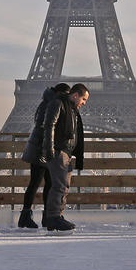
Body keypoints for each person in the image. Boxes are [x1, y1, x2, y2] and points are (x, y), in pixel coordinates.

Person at [18, 83, 70, 228]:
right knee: (39, 183)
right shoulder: (53, 104)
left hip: (43, 148)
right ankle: (33, 216)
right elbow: (47, 127)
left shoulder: (47, 102)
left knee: (45, 183)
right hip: (41, 150)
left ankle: (36, 216)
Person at [41, 83, 88, 232]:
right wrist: (50, 150)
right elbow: (49, 125)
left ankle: (57, 217)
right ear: (75, 96)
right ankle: (54, 217)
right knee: (60, 185)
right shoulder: (58, 103)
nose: (84, 103)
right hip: (58, 151)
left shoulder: (71, 109)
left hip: (66, 152)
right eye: (83, 99)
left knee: (64, 186)